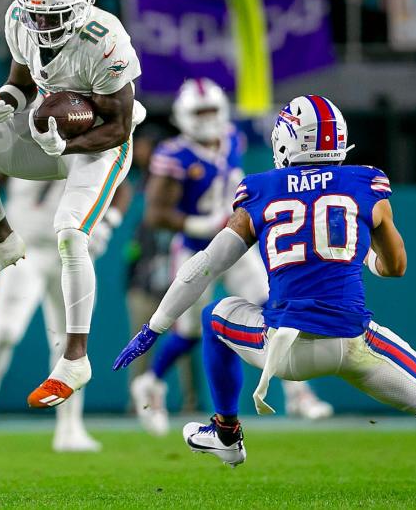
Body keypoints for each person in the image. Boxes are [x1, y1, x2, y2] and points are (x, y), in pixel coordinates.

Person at [113, 95, 416, 503]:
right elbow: (395, 267)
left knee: (215, 315)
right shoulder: (366, 183)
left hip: (283, 348)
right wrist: (363, 255)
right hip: (354, 342)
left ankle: (227, 432)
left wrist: (154, 328)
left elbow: (203, 267)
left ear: (287, 141)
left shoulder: (261, 189)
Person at [0, 0, 145, 407]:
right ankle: (0, 240)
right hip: (48, 128)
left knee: (71, 235)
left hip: (102, 145)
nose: (42, 25)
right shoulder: (20, 19)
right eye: (36, 14)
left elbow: (118, 125)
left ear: (82, 4)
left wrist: (69, 145)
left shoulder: (106, 37)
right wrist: (7, 100)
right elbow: (23, 81)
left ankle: (75, 358)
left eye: (53, 15)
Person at [130, 79, 332, 436]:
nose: (207, 119)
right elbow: (155, 214)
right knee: (190, 332)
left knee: (275, 311)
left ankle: (298, 392)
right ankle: (152, 382)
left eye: (211, 110)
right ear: (183, 115)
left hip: (238, 246)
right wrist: (199, 221)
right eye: (199, 112)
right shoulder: (174, 155)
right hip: (197, 249)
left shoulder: (233, 139)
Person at [0, 177, 127, 452]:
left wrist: (107, 223)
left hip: (72, 252)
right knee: (5, 332)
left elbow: (121, 182)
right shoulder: (21, 140)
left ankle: (70, 426)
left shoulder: (87, 142)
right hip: (25, 250)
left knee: (70, 343)